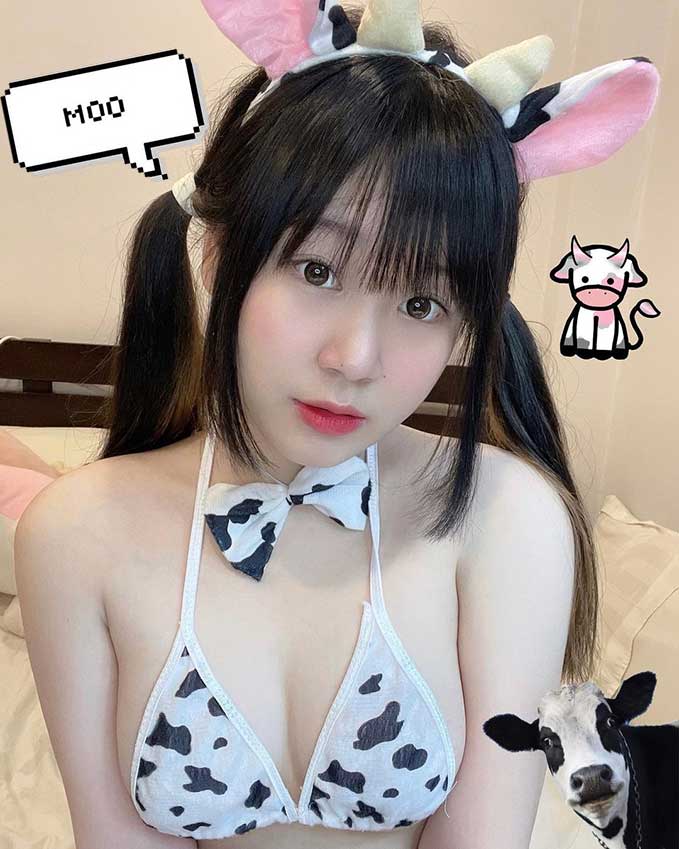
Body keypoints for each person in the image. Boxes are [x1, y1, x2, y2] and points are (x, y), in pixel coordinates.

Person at [15, 1, 659, 847]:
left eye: (421, 302)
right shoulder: (72, 533)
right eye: (316, 269)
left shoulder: (507, 516)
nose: (355, 357)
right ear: (218, 252)